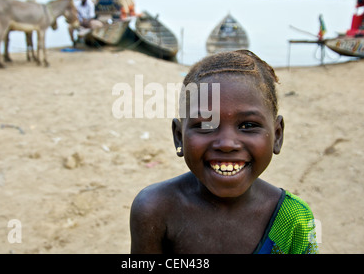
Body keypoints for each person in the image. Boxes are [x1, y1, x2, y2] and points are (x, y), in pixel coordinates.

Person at [130, 50, 319, 254]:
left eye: (248, 125)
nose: (227, 144)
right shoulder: (154, 209)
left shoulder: (293, 219)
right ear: (178, 137)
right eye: (205, 125)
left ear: (277, 135)